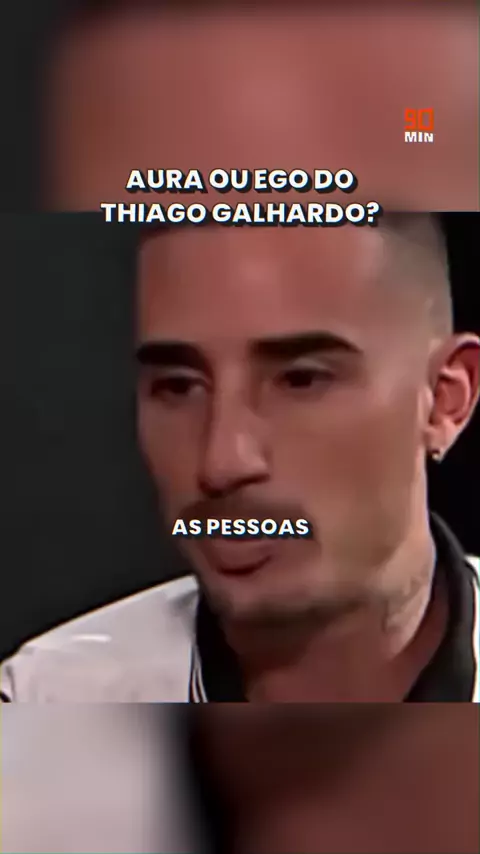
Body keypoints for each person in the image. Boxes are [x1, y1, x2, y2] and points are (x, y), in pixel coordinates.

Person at [1, 214, 479, 702]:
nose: (222, 462)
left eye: (300, 380)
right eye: (179, 386)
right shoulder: (41, 702)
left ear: (445, 399)